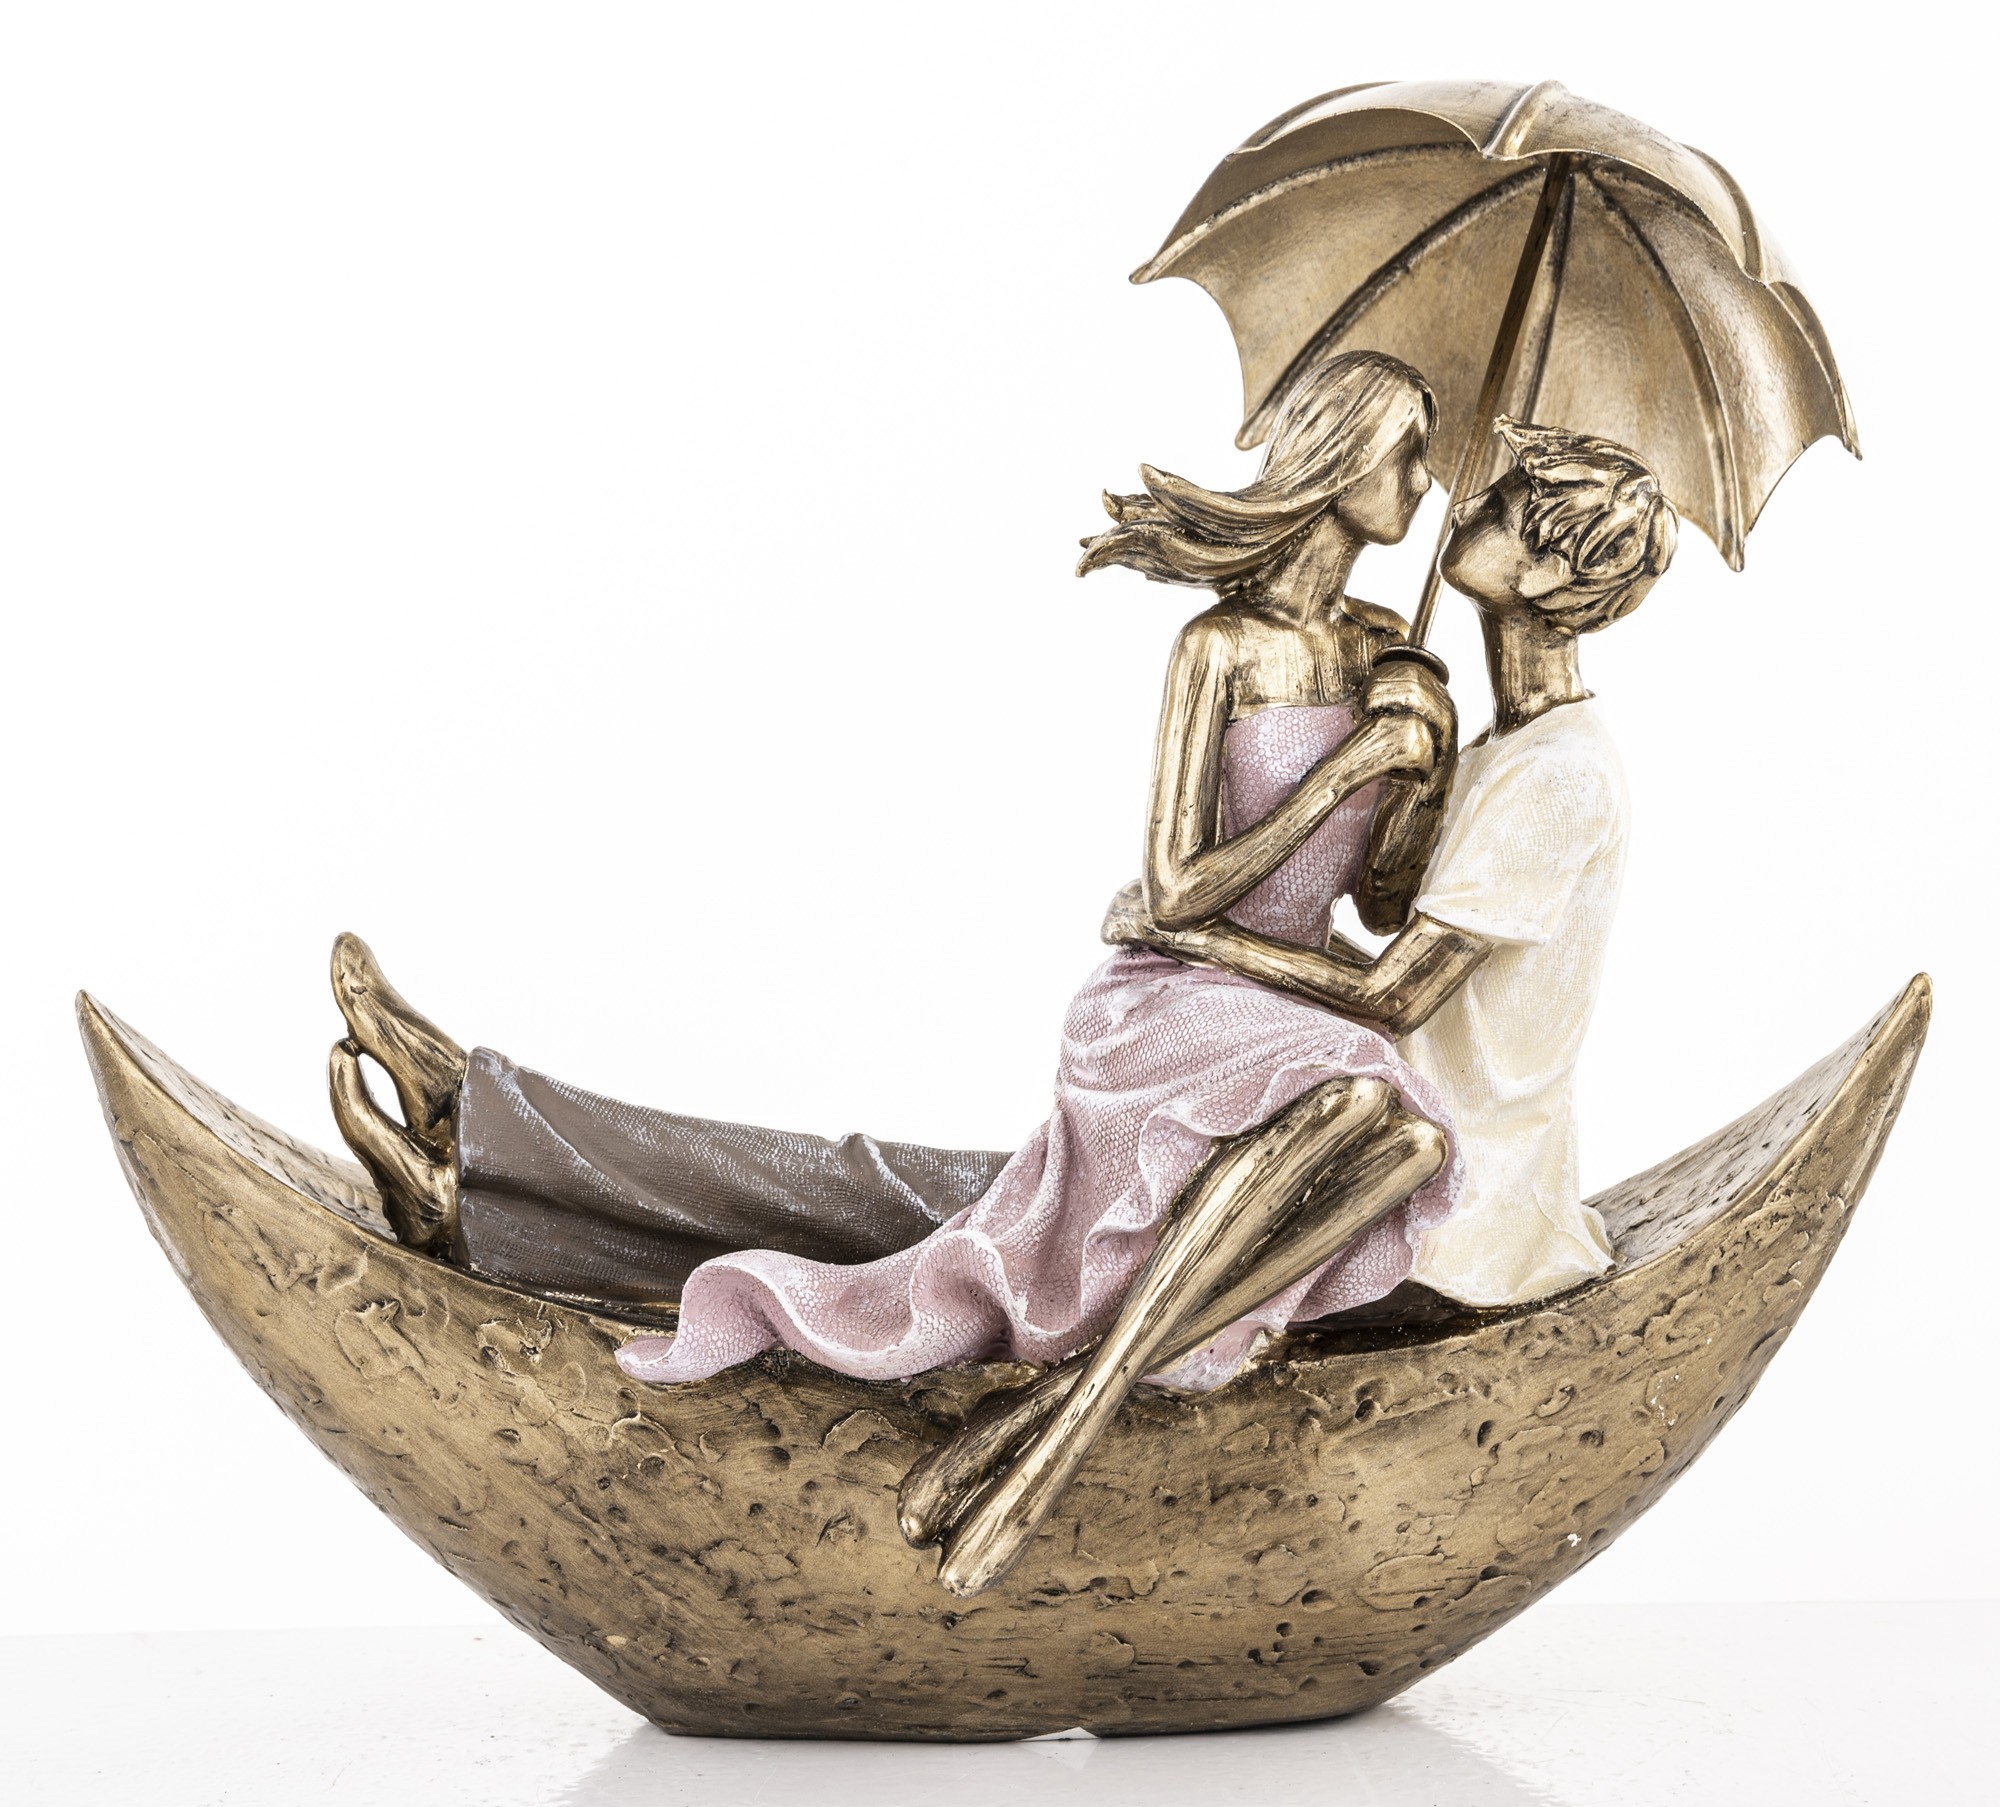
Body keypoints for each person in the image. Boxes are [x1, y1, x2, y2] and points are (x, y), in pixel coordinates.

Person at [327, 348, 1467, 1424]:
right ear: (1339, 456)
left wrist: (1423, 767)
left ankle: (481, 1174)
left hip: (1288, 1041)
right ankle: (475, 1122)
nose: (1427, 483)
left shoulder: (1399, 661)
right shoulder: (1223, 647)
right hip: (1177, 1030)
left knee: (895, 1225)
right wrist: (1348, 771)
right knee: (905, 1225)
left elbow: (1381, 908)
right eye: (1407, 452)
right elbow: (1175, 898)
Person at [917, 417, 1677, 1594]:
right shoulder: (1493, 740)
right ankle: (1060, 1407)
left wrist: (1187, 929)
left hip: (1473, 1172)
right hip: (1349, 1068)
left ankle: (1058, 1416)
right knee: (1378, 1115)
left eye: (1492, 507)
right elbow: (1379, 909)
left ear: (1540, 575)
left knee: (1392, 1126)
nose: (1452, 500)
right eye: (1444, 475)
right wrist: (1411, 758)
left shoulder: (1554, 774)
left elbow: (1388, 987)